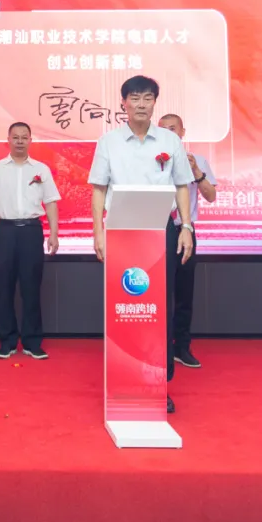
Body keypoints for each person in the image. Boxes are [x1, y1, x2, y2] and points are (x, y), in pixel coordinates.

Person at [87, 76, 194, 413]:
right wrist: (98, 232)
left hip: (160, 229)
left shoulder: (170, 141)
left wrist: (186, 227)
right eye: (135, 98)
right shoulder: (109, 142)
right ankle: (124, 380)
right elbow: (98, 189)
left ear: (154, 103)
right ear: (124, 103)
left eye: (148, 98)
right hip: (121, 231)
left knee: (159, 307)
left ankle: (158, 383)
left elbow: (181, 185)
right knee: (125, 306)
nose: (141, 104)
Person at [0, 122, 61, 360]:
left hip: (32, 232)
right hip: (5, 232)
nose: (20, 141)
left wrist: (54, 233)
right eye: (16, 137)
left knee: (31, 288)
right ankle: (7, 342)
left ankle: (32, 342)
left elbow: (51, 203)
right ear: (8, 140)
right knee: (4, 288)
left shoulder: (41, 169)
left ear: (31, 140)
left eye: (24, 137)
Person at [158, 113, 217, 369]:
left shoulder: (198, 160)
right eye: (163, 129)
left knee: (184, 292)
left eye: (173, 129)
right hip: (156, 231)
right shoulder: (151, 158)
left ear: (183, 132)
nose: (168, 133)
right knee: (157, 292)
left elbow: (211, 196)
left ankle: (181, 347)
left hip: (184, 231)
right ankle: (158, 348)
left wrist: (196, 172)